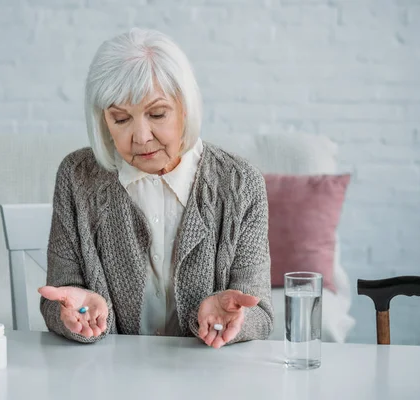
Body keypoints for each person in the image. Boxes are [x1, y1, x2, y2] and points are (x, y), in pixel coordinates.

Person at [38, 28, 273, 349]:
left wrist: (236, 318)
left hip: (206, 371)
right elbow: (58, 298)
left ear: (185, 106)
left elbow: (260, 311)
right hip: (108, 373)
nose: (141, 136)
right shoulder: (77, 175)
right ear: (102, 121)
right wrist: (74, 312)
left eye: (157, 113)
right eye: (121, 119)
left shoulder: (240, 181)